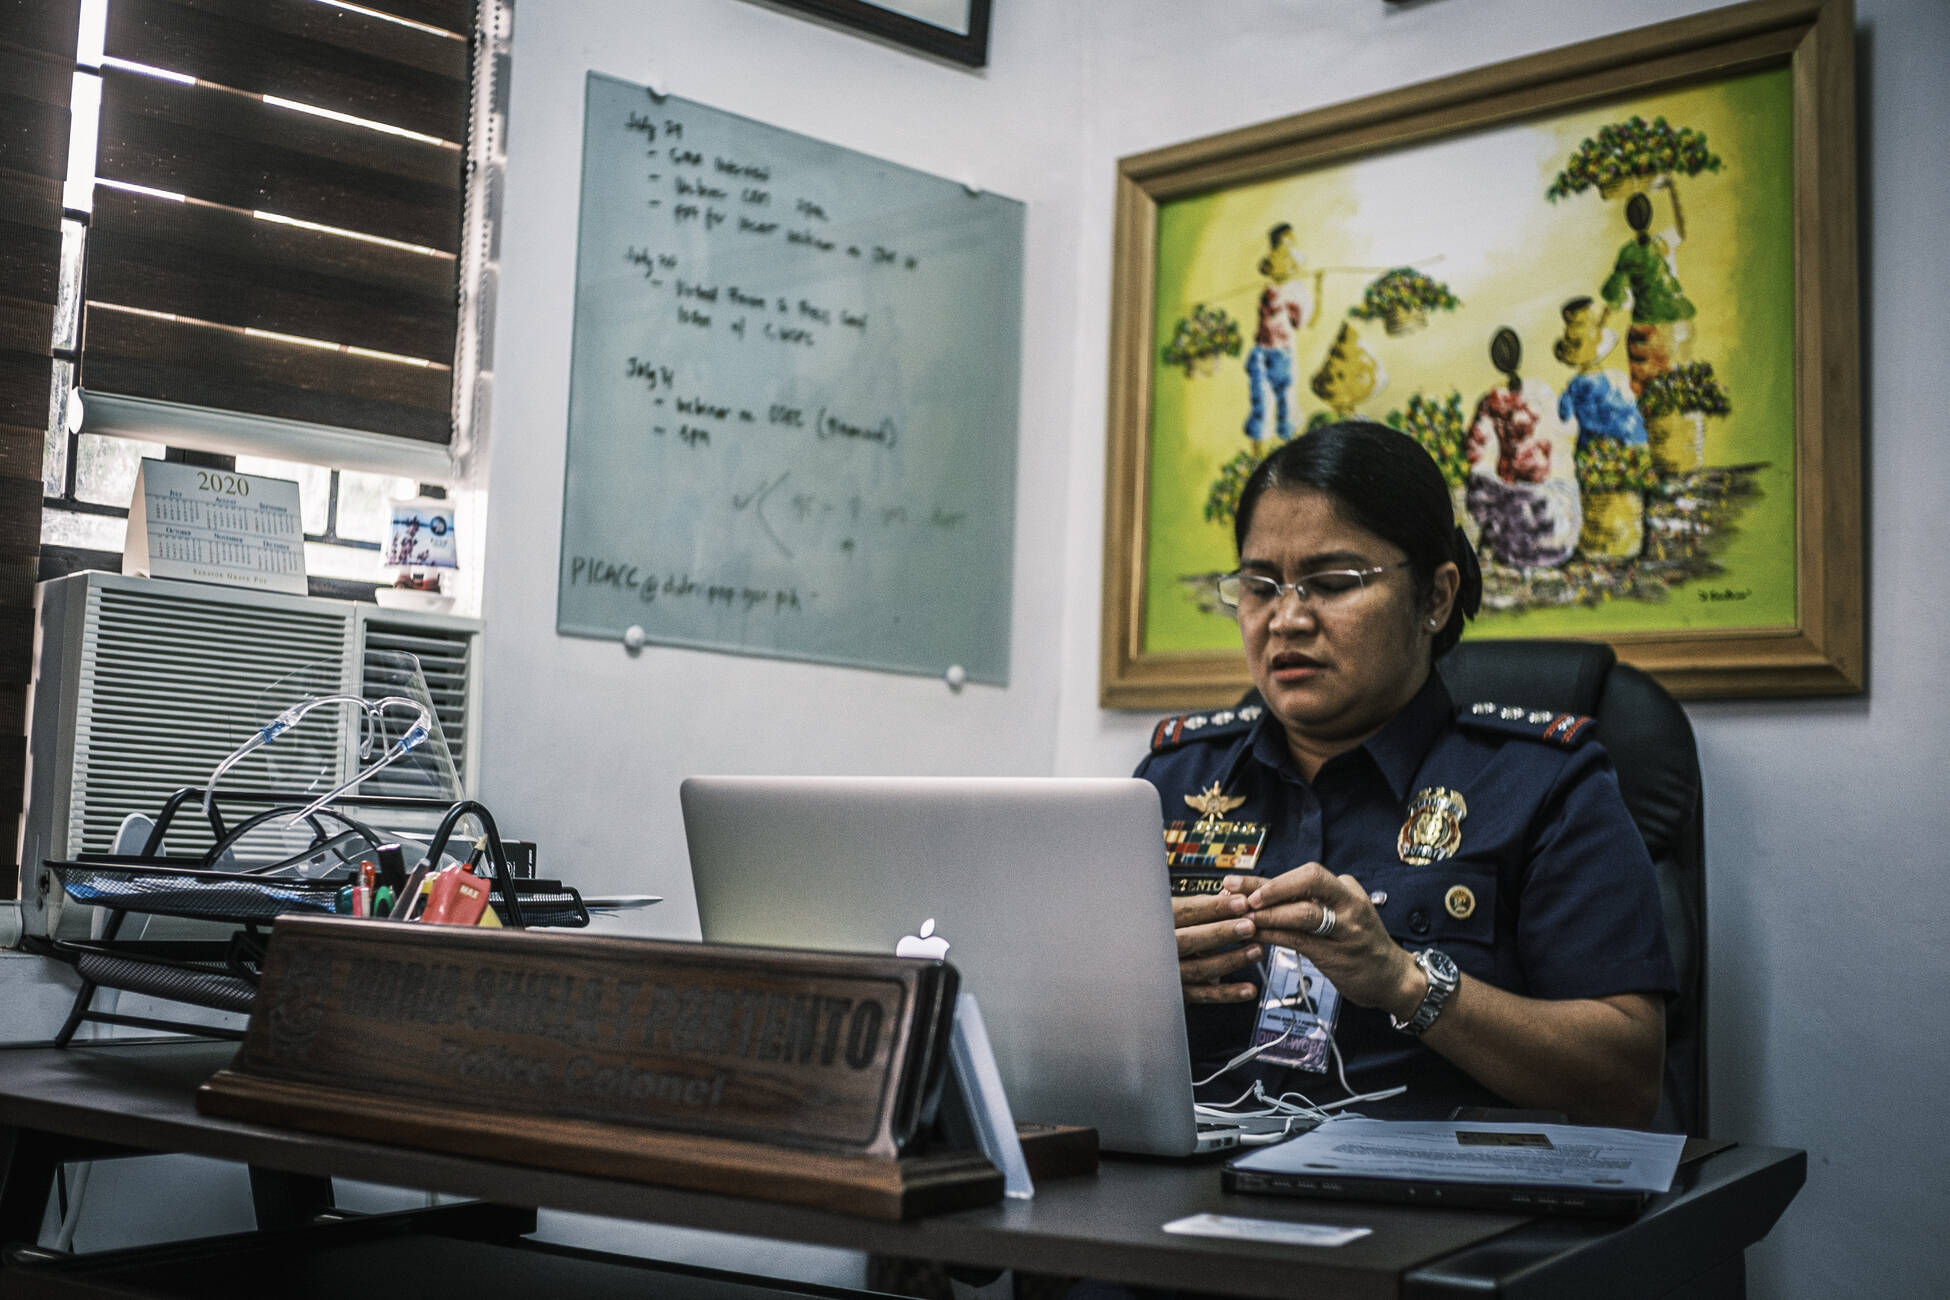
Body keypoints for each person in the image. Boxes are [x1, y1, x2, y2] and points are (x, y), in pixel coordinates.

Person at [1138, 420, 1674, 1126]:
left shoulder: (1542, 783)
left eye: (1332, 583)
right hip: (1195, 1187)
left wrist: (1404, 982)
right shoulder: (1171, 780)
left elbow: (1628, 1075)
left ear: (1434, 598)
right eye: (1260, 585)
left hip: (1441, 1200)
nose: (1286, 619)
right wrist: (1128, 985)